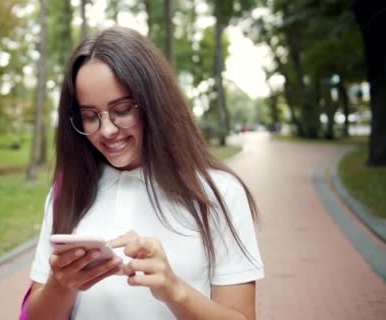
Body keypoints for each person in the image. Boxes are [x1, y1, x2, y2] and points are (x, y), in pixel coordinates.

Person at [24, 26, 264, 320]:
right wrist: (62, 286)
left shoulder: (219, 192)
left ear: (154, 103)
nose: (107, 130)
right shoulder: (69, 193)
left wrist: (174, 291)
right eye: (89, 116)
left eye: (122, 109)